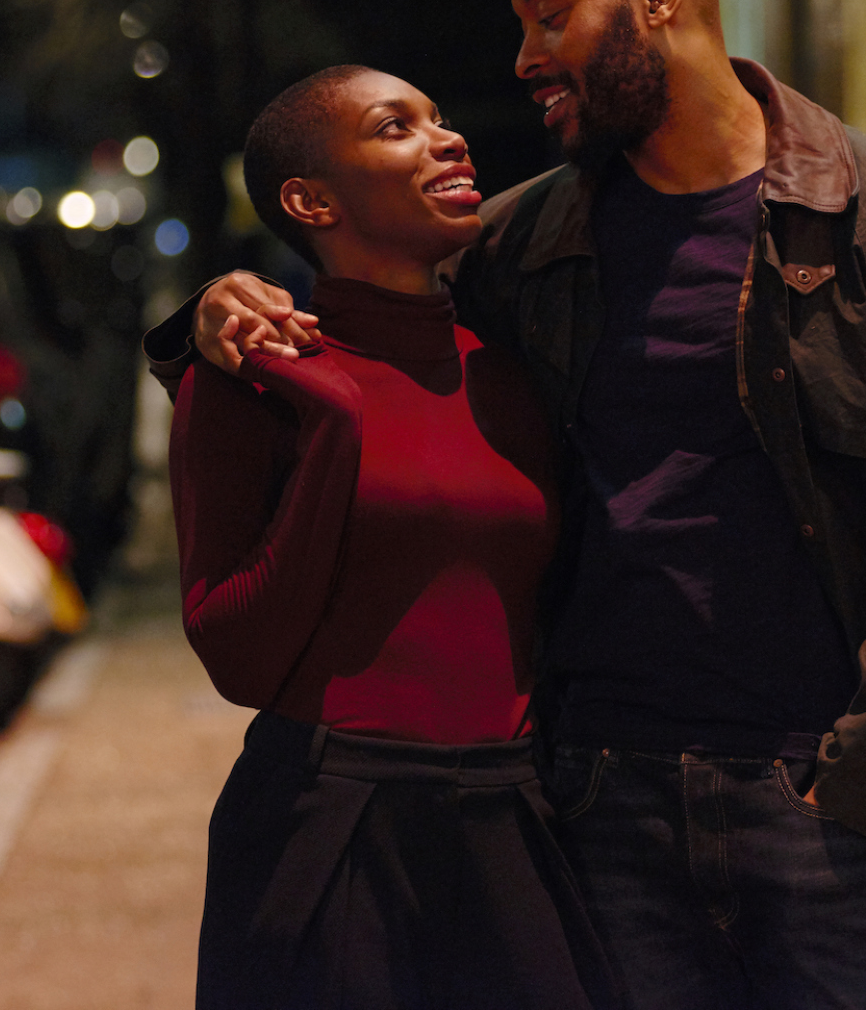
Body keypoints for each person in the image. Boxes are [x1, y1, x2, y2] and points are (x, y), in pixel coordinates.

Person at [152, 0, 866, 1010]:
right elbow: (372, 334)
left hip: (833, 816)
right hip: (595, 807)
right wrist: (217, 312)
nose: (527, 59)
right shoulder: (525, 241)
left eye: (549, 13)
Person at [167, 64, 613, 1009]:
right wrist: (332, 429)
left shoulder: (512, 367)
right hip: (329, 822)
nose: (447, 139)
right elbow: (235, 655)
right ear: (310, 199)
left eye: (442, 120)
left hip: (510, 812)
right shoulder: (252, 373)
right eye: (395, 127)